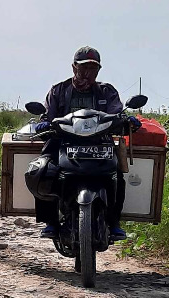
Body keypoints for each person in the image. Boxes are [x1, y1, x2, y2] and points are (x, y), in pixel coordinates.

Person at [35, 45, 131, 241]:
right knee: (43, 169)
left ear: (98, 71)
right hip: (63, 141)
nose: (87, 73)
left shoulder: (106, 91)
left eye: (93, 69)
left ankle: (114, 223)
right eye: (83, 68)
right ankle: (50, 221)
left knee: (117, 176)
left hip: (100, 143)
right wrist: (44, 123)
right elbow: (48, 115)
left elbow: (117, 112)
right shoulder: (59, 91)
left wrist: (126, 119)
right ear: (74, 68)